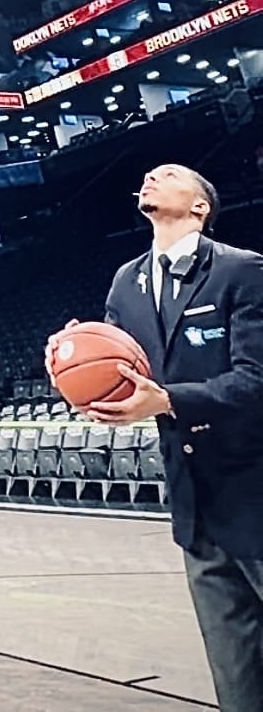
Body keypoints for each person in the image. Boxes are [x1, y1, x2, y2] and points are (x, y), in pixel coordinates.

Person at [46, 163, 263, 712]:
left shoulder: (243, 271)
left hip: (256, 490)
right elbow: (120, 369)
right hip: (194, 504)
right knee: (235, 673)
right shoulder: (127, 283)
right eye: (148, 174)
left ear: (199, 207)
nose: (150, 177)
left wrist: (166, 400)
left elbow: (256, 380)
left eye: (169, 174)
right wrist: (72, 354)